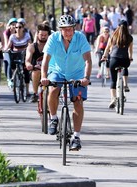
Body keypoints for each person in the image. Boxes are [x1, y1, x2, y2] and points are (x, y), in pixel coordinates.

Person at [40, 15, 92, 151]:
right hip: (57, 71)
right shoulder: (53, 39)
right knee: (52, 89)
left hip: (77, 74)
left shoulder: (80, 38)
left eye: (70, 29)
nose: (68, 32)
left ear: (74, 29)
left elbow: (88, 61)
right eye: (64, 30)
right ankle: (53, 118)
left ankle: (76, 137)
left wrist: (86, 78)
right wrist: (44, 77)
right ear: (60, 30)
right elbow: (45, 61)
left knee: (78, 101)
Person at [101, 20, 133, 109]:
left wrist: (104, 56)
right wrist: (130, 58)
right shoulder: (129, 38)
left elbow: (107, 49)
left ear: (118, 27)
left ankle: (113, 98)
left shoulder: (113, 36)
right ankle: (125, 84)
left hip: (114, 60)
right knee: (126, 66)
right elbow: (130, 51)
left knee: (113, 81)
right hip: (125, 61)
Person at [5, 18, 32, 96]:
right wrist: (5, 50)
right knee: (12, 65)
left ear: (23, 28)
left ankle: (27, 91)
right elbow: (8, 46)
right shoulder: (12, 36)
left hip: (24, 54)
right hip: (15, 54)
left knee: (26, 70)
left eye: (20, 27)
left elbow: (30, 44)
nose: (18, 29)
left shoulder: (26, 35)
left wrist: (29, 49)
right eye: (16, 27)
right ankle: (13, 80)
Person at [25, 23, 51, 103]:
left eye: (45, 35)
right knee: (36, 71)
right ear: (37, 34)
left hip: (49, 71)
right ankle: (35, 94)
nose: (43, 37)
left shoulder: (52, 46)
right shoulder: (32, 47)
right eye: (41, 34)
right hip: (35, 70)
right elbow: (27, 60)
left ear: (48, 35)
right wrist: (29, 65)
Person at [3, 18, 17, 88]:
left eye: (15, 25)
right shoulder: (6, 32)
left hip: (15, 50)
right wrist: (6, 49)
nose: (14, 26)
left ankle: (17, 78)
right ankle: (9, 80)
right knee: (9, 63)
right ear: (10, 25)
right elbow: (6, 42)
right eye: (13, 25)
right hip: (7, 50)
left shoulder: (18, 32)